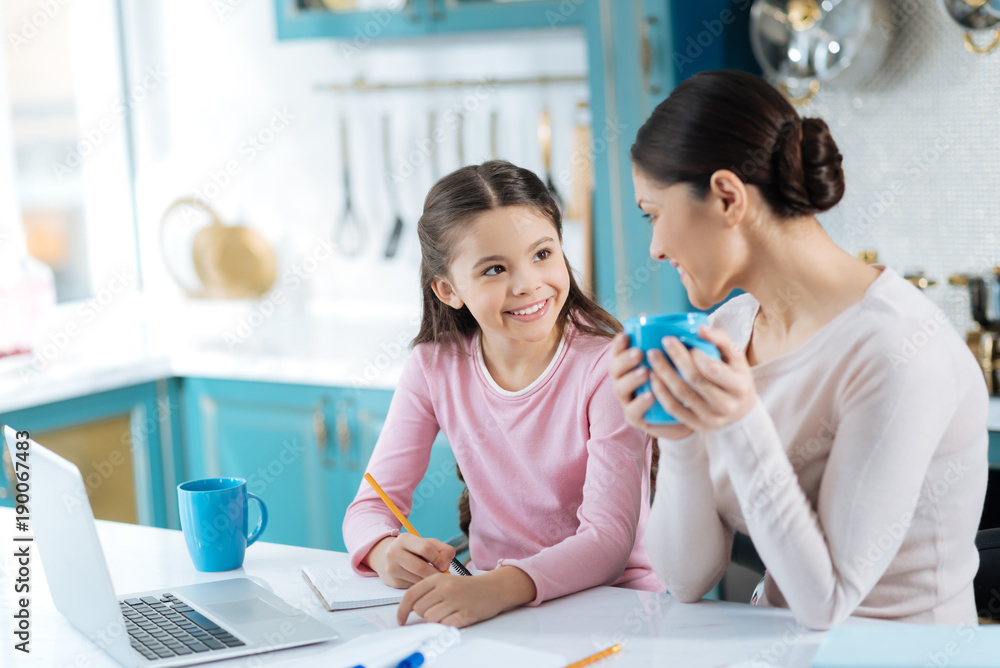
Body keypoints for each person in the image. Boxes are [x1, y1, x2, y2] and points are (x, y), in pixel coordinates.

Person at [609, 70, 988, 629]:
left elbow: (828, 602)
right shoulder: (731, 328)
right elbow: (686, 581)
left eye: (655, 213)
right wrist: (680, 436)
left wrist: (738, 421)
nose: (657, 247)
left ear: (726, 197)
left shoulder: (897, 348)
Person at [343, 160, 663, 628]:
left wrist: (490, 589)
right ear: (448, 289)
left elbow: (607, 543)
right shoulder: (435, 367)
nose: (527, 284)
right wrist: (384, 550)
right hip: (492, 609)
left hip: (618, 613)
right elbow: (371, 506)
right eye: (494, 269)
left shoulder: (609, 365)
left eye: (542, 254)